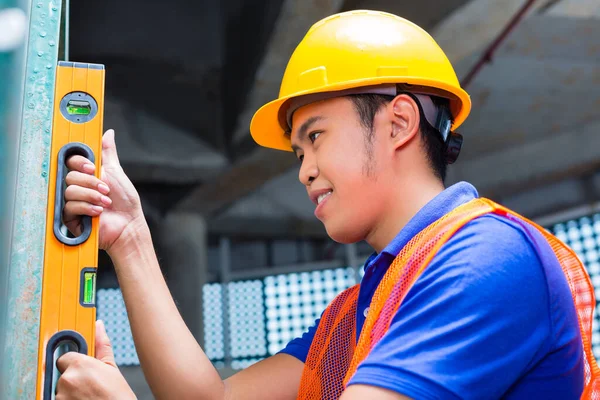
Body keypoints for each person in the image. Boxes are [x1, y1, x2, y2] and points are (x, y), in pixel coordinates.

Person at [55, 10, 594, 400]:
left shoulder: (487, 259)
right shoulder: (361, 313)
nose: (304, 169)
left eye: (315, 136)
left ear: (399, 123)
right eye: (298, 150)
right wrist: (131, 239)